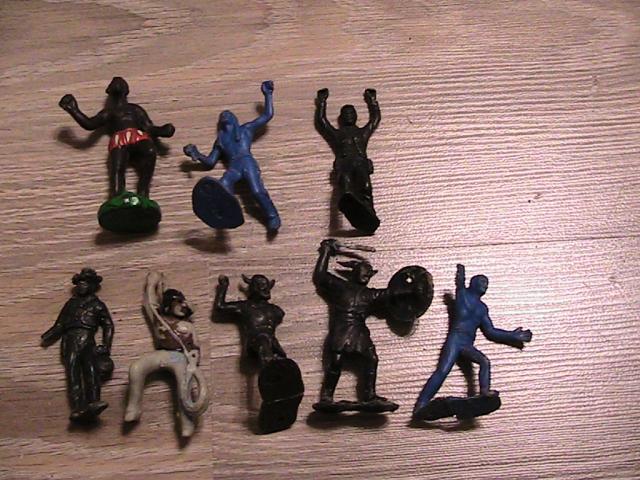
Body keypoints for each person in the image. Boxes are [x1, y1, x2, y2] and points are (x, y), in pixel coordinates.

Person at [413, 264, 532, 418]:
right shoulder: (463, 295)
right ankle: (421, 405)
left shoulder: (482, 308)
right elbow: (459, 284)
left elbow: (490, 331)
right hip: (455, 339)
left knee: (484, 362)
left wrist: (512, 336)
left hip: (467, 344)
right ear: (473, 283)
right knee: (442, 371)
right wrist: (461, 272)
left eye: (487, 283)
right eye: (482, 282)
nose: (485, 285)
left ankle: (484, 392)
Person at [184, 81, 280, 232]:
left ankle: (272, 215)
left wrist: (268, 95)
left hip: (246, 162)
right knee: (223, 185)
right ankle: (223, 214)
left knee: (256, 191)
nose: (225, 115)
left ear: (234, 119)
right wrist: (196, 154)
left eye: (228, 114)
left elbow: (267, 115)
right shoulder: (221, 141)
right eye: (222, 115)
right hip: (234, 166)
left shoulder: (245, 130)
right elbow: (210, 162)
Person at [59, 76, 175, 198]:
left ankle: (143, 191)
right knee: (118, 166)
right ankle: (117, 195)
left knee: (150, 151)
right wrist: (73, 109)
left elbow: (148, 127)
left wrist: (162, 130)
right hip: (120, 142)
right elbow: (90, 124)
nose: (118, 84)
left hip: (138, 137)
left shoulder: (135, 109)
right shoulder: (109, 112)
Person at [313, 239, 394, 410]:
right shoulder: (340, 287)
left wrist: (409, 291)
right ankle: (327, 397)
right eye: (364, 270)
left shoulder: (370, 294)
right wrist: (325, 252)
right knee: (336, 362)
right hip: (341, 330)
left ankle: (369, 395)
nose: (367, 274)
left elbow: (389, 294)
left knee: (371, 359)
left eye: (369, 273)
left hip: (359, 332)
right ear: (354, 271)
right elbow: (320, 276)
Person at [41, 268, 114, 422]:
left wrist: (106, 346)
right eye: (79, 283)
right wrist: (48, 336)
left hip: (87, 340)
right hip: (70, 341)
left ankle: (94, 401)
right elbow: (60, 324)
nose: (81, 286)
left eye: (85, 283)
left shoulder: (97, 304)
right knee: (72, 373)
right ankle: (77, 408)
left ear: (92, 286)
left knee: (91, 371)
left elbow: (108, 325)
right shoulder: (71, 304)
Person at [315, 88, 381, 233]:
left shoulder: (362, 132)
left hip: (360, 163)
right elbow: (322, 122)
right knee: (345, 189)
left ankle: (370, 215)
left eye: (351, 113)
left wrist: (372, 102)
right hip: (344, 165)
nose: (349, 116)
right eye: (346, 114)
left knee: (366, 187)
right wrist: (322, 103)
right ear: (341, 118)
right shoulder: (338, 134)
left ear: (356, 116)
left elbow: (375, 119)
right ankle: (352, 208)